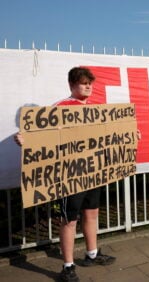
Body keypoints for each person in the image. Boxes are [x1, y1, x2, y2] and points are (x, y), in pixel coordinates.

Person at [15, 67, 116, 282]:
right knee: (69, 220)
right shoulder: (60, 108)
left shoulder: (97, 108)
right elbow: (41, 135)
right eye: (83, 83)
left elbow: (111, 134)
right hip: (70, 175)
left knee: (91, 214)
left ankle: (92, 254)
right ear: (71, 85)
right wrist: (25, 141)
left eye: (90, 83)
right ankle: (68, 266)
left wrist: (130, 134)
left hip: (93, 171)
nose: (88, 86)